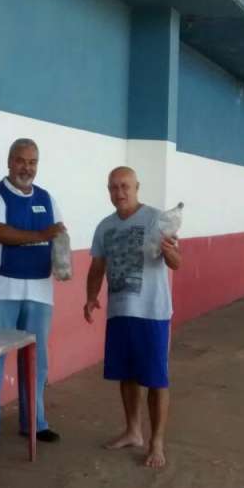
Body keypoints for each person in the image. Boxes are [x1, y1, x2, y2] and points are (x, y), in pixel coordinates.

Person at [84, 166, 181, 468]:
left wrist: (168, 251)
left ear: (137, 187)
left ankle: (157, 442)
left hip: (152, 313)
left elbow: (177, 263)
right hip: (119, 311)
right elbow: (97, 266)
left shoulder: (155, 219)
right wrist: (90, 298)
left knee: (155, 378)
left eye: (125, 186)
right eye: (113, 187)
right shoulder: (104, 227)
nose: (119, 192)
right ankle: (133, 431)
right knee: (126, 375)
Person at [0, 138, 66, 443]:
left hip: (40, 289)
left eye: (32, 162)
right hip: (1, 286)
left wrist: (63, 263)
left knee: (36, 361)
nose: (26, 167)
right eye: (20, 160)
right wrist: (41, 234)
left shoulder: (47, 198)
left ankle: (35, 423)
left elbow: (59, 235)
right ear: (9, 162)